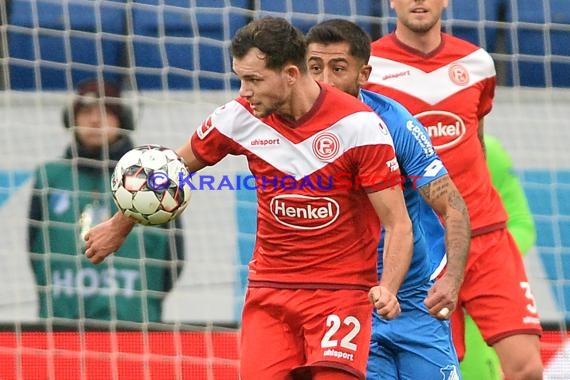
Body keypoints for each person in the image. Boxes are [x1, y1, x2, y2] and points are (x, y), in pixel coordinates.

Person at [83, 17, 414, 380]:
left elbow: (397, 222)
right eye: (240, 78)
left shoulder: (359, 126)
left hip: (340, 293)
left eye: (254, 79)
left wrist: (389, 287)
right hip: (270, 293)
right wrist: (119, 225)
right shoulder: (238, 117)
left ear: (290, 73)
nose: (244, 91)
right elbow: (167, 173)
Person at [364, 1, 544, 379]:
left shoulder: (478, 62)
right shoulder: (370, 67)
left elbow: (475, 137)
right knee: (441, 369)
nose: (418, 2)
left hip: (484, 233)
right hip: (421, 247)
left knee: (526, 367)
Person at [306, 19, 470, 379]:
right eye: (315, 68)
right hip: (346, 302)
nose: (326, 82)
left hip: (413, 300)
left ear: (364, 74)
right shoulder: (291, 131)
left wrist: (452, 280)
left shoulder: (396, 123)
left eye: (338, 69)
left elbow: (453, 206)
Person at [28, 78, 185, 323]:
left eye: (105, 112)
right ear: (72, 119)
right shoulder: (49, 177)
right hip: (61, 324)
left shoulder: (154, 177)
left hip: (133, 323)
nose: (94, 120)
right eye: (86, 112)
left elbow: (174, 257)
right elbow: (34, 248)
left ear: (123, 121)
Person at [461, 134, 538, 380]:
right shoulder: (393, 142)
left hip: (473, 303)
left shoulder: (486, 150)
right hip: (417, 293)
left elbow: (521, 224)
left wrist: (474, 265)